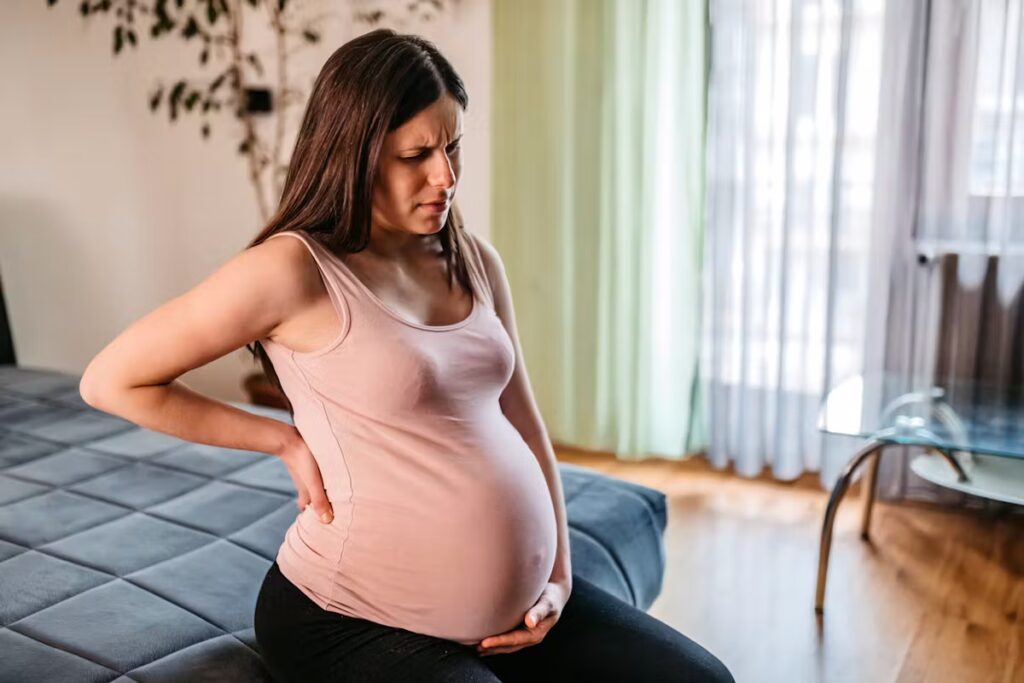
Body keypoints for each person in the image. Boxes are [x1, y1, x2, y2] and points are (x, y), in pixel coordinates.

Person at [80, 27, 734, 683]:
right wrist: (281, 440)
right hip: (350, 617)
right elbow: (113, 380)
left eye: (452, 146)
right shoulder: (293, 269)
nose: (445, 175)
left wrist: (557, 575)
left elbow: (525, 423)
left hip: (519, 610)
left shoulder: (473, 259)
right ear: (356, 154)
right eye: (416, 154)